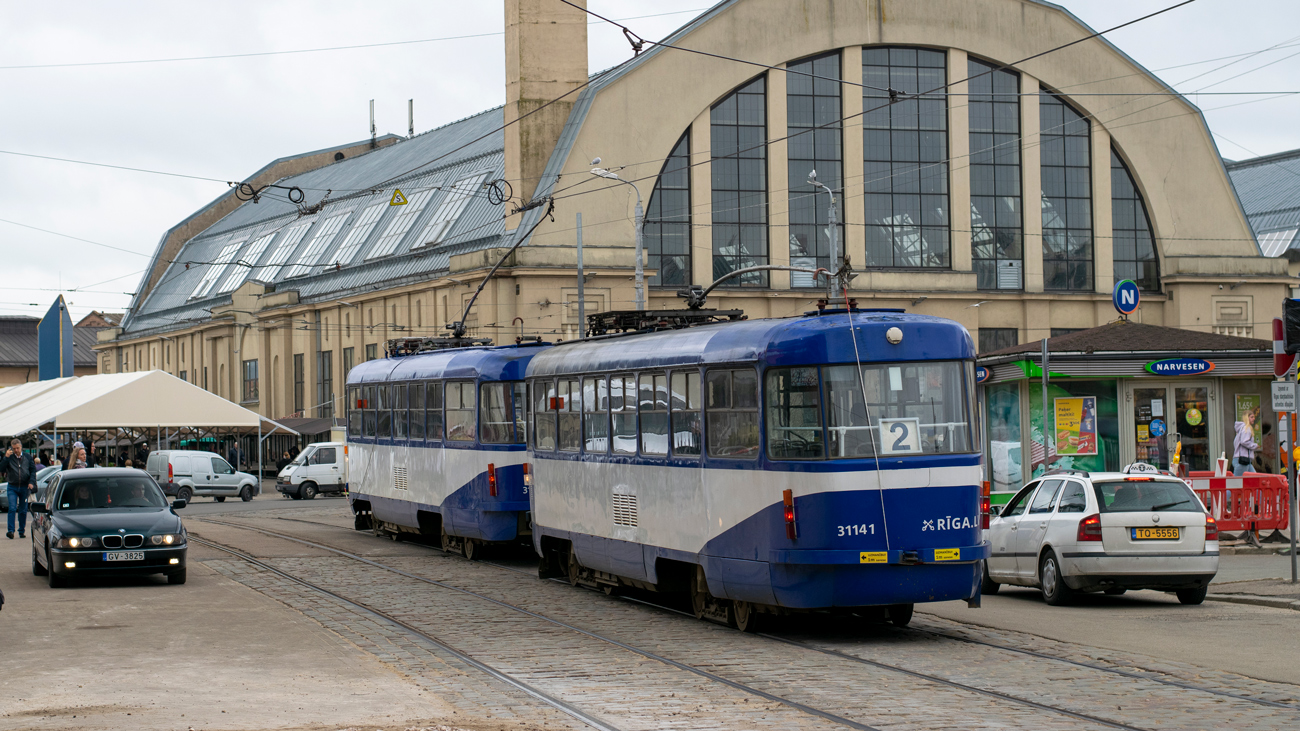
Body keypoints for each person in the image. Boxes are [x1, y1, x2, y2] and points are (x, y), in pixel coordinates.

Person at [3, 440, 37, 539]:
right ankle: (11, 531)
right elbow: (1, 468)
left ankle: (21, 531)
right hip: (12, 486)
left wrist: (31, 482)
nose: (16, 450)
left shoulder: (27, 457)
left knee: (23, 510)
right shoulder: (9, 458)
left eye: (17, 448)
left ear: (21, 447)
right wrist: (6, 457)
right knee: (12, 508)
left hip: (24, 487)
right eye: (14, 449)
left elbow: (32, 470)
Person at [1233, 407, 1259, 477]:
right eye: (1251, 417)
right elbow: (1244, 442)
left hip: (1243, 460)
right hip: (1242, 460)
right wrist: (1255, 446)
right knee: (1236, 484)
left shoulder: (1241, 429)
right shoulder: (1246, 429)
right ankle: (1228, 489)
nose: (1254, 418)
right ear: (1247, 418)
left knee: (1255, 480)